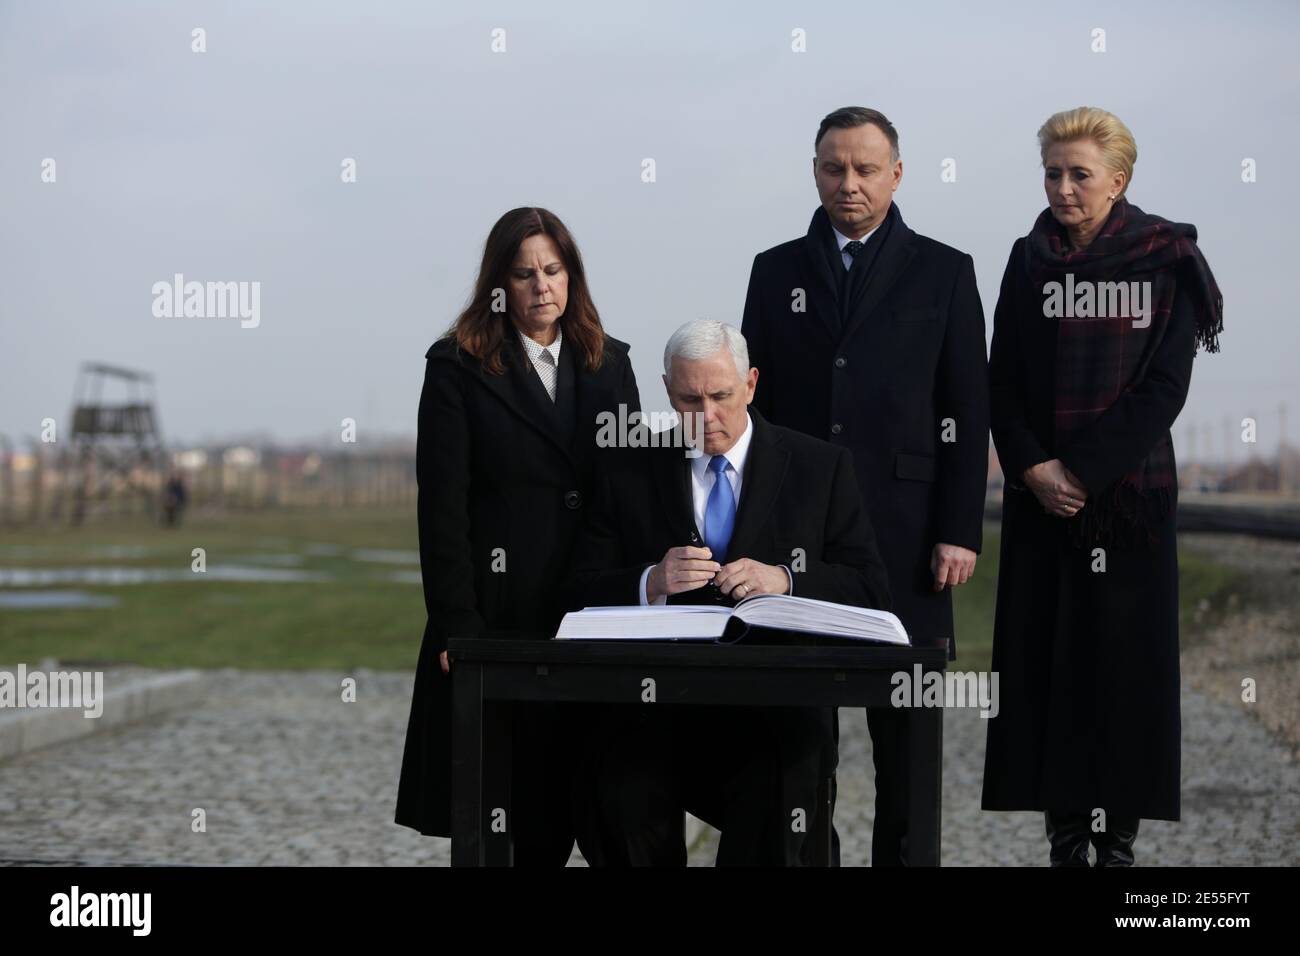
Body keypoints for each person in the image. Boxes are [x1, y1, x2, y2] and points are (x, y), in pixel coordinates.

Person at [740, 107, 989, 865]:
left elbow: (967, 408)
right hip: (799, 541)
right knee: (802, 736)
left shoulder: (946, 271)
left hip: (911, 534)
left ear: (897, 174)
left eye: (865, 168)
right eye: (832, 168)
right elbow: (758, 410)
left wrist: (959, 528)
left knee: (906, 736)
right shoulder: (774, 269)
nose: (848, 184)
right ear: (815, 171)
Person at [980, 107, 1223, 866]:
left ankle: (1114, 839)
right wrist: (1033, 469)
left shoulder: (1165, 259)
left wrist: (1079, 473)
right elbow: (1003, 380)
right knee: (1046, 665)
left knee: (1122, 671)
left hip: (1129, 505)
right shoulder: (1027, 261)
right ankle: (1063, 836)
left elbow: (1164, 390)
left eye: (1080, 174)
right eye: (1052, 173)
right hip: (1040, 502)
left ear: (1119, 181)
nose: (1063, 188)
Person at [566, 319, 891, 866]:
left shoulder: (820, 467)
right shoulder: (629, 469)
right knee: (617, 783)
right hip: (657, 708)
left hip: (774, 709)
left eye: (720, 396)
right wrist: (650, 581)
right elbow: (576, 591)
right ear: (667, 389)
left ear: (751, 385)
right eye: (689, 399)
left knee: (785, 786)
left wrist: (785, 579)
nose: (707, 416)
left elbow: (869, 588)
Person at [394, 207, 641, 864]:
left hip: (589, 617)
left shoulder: (610, 364)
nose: (542, 286)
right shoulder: (457, 366)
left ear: (572, 276)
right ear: (499, 282)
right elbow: (442, 511)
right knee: (498, 822)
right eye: (526, 272)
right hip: (494, 618)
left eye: (554, 270)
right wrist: (456, 626)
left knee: (595, 812)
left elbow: (629, 494)